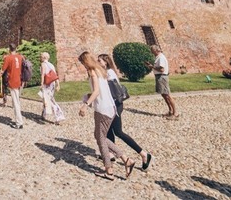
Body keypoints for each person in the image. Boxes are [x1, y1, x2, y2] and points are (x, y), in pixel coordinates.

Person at [78, 51, 135, 180]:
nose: (82, 65)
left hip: (102, 109)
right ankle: (126, 160)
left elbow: (97, 91)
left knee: (100, 138)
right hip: (110, 107)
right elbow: (101, 90)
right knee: (99, 136)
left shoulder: (92, 71)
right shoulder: (100, 71)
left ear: (85, 61)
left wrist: (85, 105)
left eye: (82, 63)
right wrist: (88, 95)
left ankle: (110, 170)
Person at [98, 53, 153, 171]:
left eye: (100, 61)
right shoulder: (105, 73)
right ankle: (111, 154)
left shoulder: (109, 73)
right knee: (108, 130)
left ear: (106, 62)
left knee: (118, 132)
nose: (98, 63)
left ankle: (144, 154)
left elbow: (115, 92)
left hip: (115, 106)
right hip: (111, 106)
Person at [145, 45, 179, 119]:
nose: (151, 52)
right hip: (159, 77)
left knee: (167, 95)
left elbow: (161, 69)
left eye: (152, 50)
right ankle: (170, 111)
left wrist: (152, 67)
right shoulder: (158, 57)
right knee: (164, 95)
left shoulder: (161, 58)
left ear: (156, 50)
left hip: (162, 77)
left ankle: (175, 113)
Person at [1, 43, 24, 129]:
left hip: (12, 81)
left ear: (9, 49)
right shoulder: (20, 57)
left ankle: (19, 122)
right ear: (16, 48)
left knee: (15, 103)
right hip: (18, 80)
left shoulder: (8, 58)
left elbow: (3, 70)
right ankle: (19, 120)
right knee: (16, 101)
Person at [40, 52, 65, 124]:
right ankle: (44, 114)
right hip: (52, 84)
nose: (40, 58)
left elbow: (42, 75)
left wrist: (41, 84)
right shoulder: (51, 65)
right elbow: (55, 75)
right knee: (46, 98)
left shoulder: (43, 64)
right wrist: (58, 84)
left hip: (46, 84)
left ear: (44, 57)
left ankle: (59, 116)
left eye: (41, 56)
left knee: (49, 100)